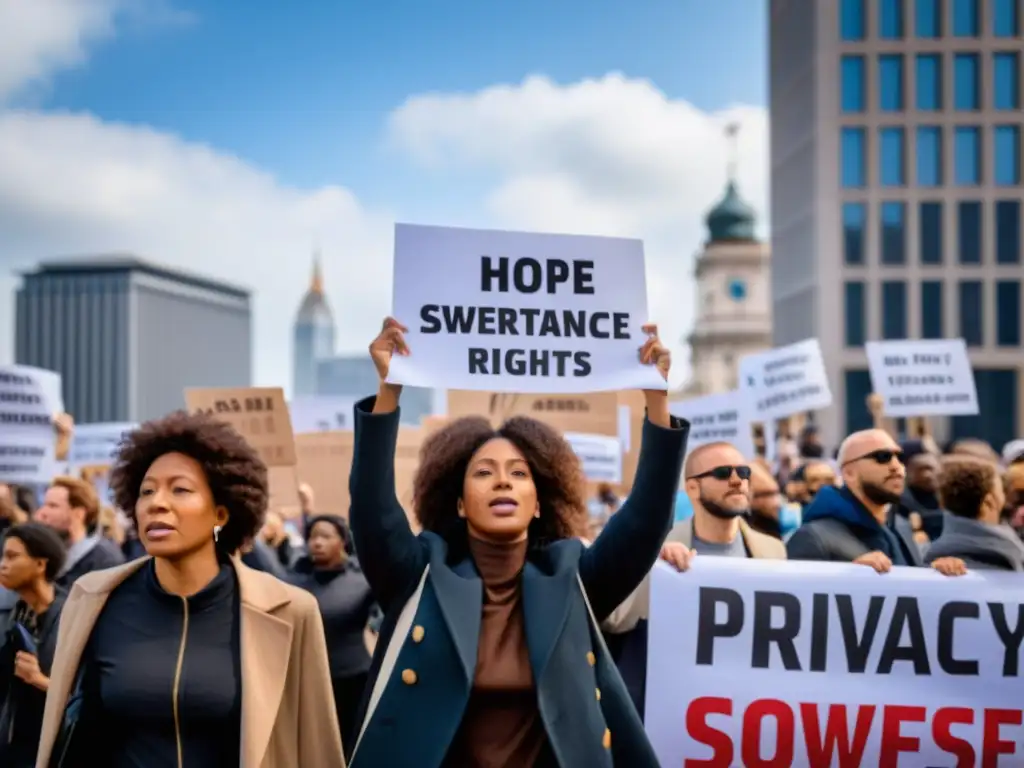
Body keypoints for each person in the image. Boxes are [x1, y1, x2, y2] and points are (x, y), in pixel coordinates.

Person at [347, 317, 688, 767]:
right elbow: (373, 511)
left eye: (519, 474)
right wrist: (388, 392)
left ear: (540, 503)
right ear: (461, 504)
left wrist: (656, 402)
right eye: (484, 473)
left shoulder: (573, 578)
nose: (503, 482)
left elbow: (645, 521)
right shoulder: (420, 574)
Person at [35, 410, 344, 768]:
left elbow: (316, 746)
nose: (157, 503)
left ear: (221, 515)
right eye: (146, 491)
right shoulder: (93, 599)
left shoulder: (289, 610)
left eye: (180, 489)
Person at [600, 442, 787, 719]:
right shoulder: (655, 549)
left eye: (743, 472)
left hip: (746, 709)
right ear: (692, 488)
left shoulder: (773, 550)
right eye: (723, 473)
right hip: (673, 711)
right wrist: (654, 567)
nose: (737, 480)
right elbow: (612, 618)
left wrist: (859, 575)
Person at [787, 429, 964, 576]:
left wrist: (937, 573)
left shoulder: (900, 526)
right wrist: (848, 578)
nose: (896, 466)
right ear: (849, 474)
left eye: (899, 457)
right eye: (882, 457)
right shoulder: (813, 537)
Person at [289, 514, 377, 757]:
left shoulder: (362, 582)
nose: (317, 542)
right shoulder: (294, 581)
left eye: (325, 536)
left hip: (356, 681)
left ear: (343, 542)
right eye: (313, 537)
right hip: (311, 682)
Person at [0, 523, 68, 767]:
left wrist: (39, 680)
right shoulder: (13, 615)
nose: (3, 564)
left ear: (41, 564)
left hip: (57, 750)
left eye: (12, 556)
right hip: (14, 746)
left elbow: (87, 696)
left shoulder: (72, 616)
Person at [925, 456, 1024, 571]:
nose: (1006, 498)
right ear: (989, 502)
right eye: (1002, 490)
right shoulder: (1003, 554)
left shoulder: (940, 553)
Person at [33, 476, 124, 587]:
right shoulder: (49, 554)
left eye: (52, 506)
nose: (42, 513)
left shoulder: (105, 560)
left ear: (78, 514)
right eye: (44, 505)